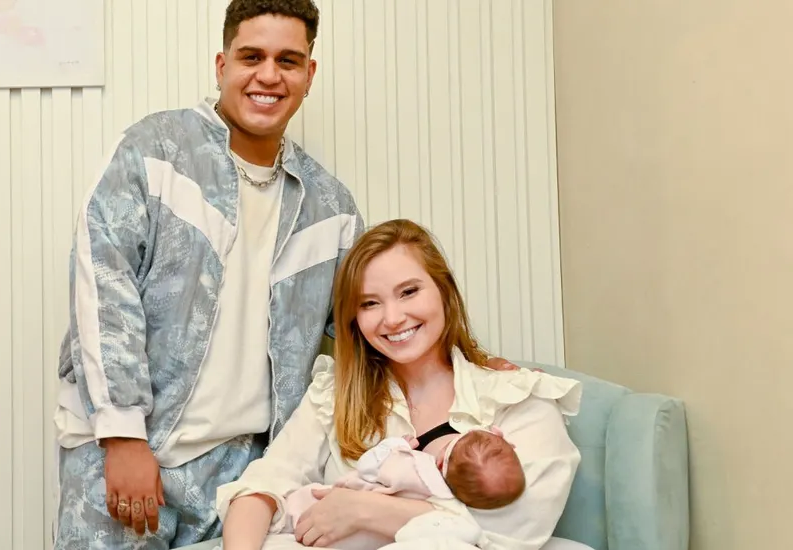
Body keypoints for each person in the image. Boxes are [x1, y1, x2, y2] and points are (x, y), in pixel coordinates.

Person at [52, 1, 517, 548]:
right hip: (123, 452)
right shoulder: (154, 152)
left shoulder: (330, 207)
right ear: (222, 65)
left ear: (309, 74)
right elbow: (102, 287)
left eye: (288, 61)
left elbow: (370, 324)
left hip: (240, 470)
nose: (269, 75)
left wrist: (470, 360)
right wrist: (122, 435)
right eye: (252, 57)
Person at [217, 218, 584, 550]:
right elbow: (262, 486)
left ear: (444, 291)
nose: (392, 318)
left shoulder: (518, 397)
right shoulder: (333, 396)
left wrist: (364, 510)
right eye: (369, 303)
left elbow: (517, 527)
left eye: (409, 292)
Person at [277, 428, 529, 550]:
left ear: (441, 460)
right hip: (360, 541)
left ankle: (282, 517)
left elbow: (368, 466)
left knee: (298, 505)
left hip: (322, 510)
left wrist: (396, 445)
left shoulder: (415, 465)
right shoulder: (453, 510)